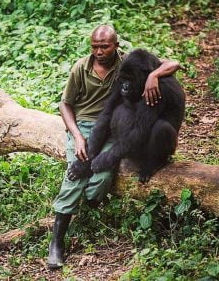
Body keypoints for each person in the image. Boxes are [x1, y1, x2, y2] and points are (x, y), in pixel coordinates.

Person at [47, 25, 181, 269]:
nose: (99, 51)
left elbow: (141, 132)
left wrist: (106, 158)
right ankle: (56, 241)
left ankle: (152, 165)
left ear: (115, 47)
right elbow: (105, 114)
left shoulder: (149, 81)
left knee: (153, 134)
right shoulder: (107, 69)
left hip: (155, 140)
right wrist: (84, 148)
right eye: (95, 46)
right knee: (77, 174)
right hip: (87, 127)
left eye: (104, 46)